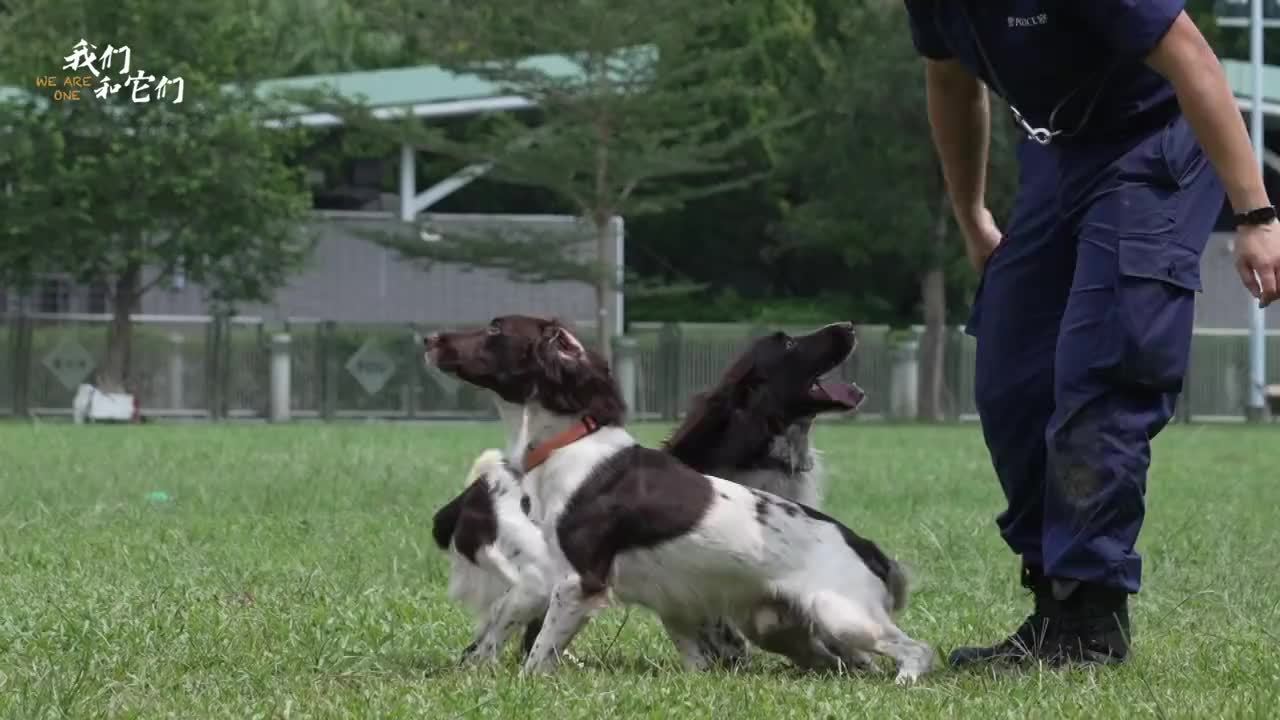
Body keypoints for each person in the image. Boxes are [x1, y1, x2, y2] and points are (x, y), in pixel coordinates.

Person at [901, 1, 1280, 669]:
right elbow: (949, 80)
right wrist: (971, 215)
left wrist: (1254, 213)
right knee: (1012, 376)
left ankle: (1091, 622)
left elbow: (1192, 56)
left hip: (1154, 140)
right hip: (1059, 154)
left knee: (1105, 365)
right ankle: (1055, 607)